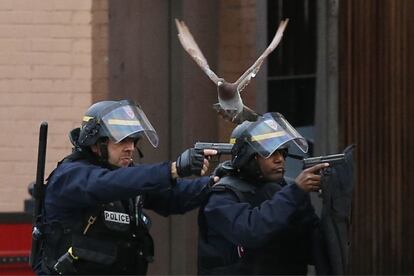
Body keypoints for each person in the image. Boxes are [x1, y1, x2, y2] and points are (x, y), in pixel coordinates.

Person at [33, 99, 217, 275]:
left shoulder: (126, 177)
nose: (130, 148)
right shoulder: (71, 176)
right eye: (121, 141)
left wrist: (216, 183)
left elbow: (174, 197)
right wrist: (174, 169)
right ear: (97, 144)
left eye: (133, 141)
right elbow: (109, 184)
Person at [198, 112, 330, 275]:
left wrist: (334, 199)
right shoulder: (222, 196)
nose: (279, 159)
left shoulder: (287, 190)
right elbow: (251, 231)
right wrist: (295, 192)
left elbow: (313, 247)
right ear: (249, 157)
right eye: (271, 153)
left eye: (282, 153)